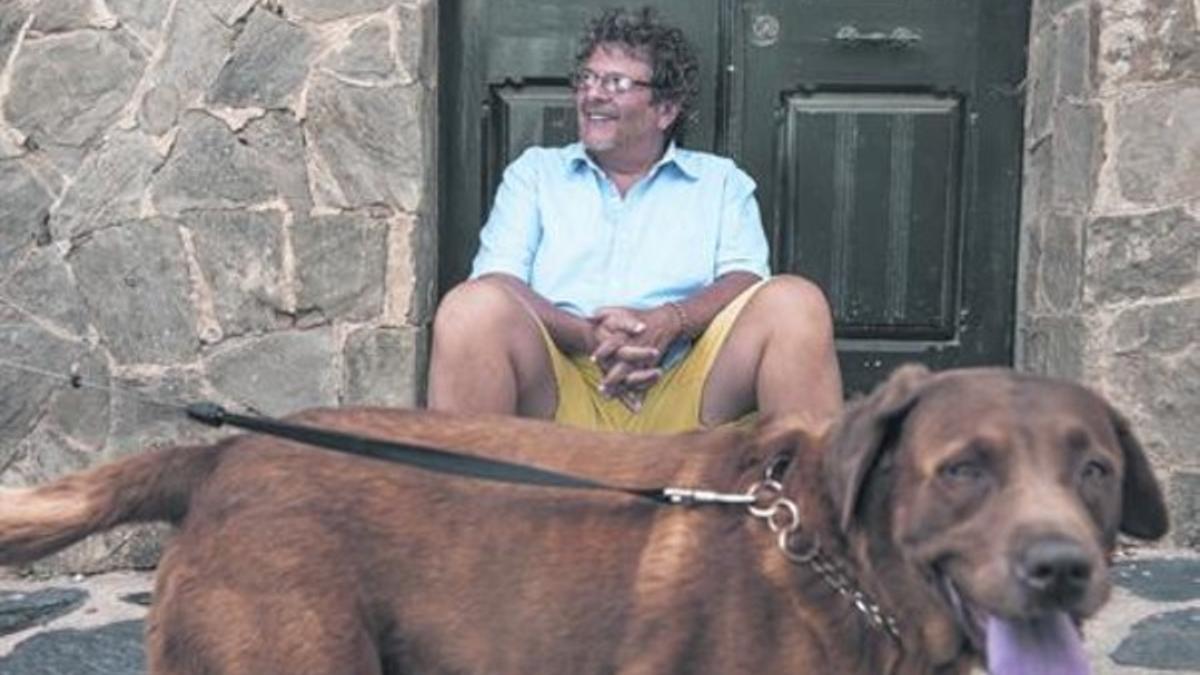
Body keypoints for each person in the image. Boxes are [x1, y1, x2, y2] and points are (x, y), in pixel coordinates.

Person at [428, 7, 842, 434]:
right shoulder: (534, 174)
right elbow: (498, 279)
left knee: (795, 303)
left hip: (683, 388)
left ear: (665, 109)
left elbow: (745, 278)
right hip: (562, 387)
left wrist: (669, 322)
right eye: (587, 79)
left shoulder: (719, 182)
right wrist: (587, 336)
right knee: (470, 308)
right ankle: (471, 498)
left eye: (616, 83)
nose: (593, 94)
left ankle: (804, 497)